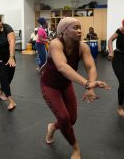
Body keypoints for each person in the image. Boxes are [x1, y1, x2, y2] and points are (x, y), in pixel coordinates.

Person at [41, 17, 110, 159]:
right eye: (75, 28)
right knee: (64, 118)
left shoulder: (82, 47)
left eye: (80, 27)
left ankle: (52, 127)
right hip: (50, 86)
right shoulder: (55, 44)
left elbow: (91, 66)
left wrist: (90, 87)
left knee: (72, 119)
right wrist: (86, 83)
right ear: (64, 31)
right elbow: (62, 67)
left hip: (66, 85)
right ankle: (76, 149)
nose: (79, 31)